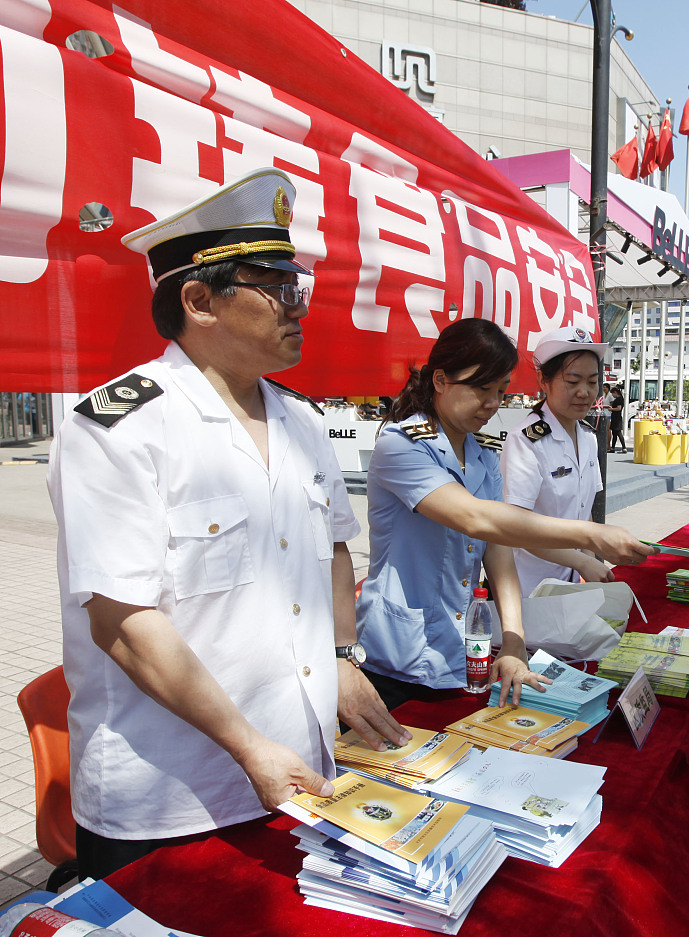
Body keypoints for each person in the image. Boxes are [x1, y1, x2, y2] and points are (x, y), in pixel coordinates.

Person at [47, 168, 406, 880]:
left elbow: (335, 550)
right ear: (198, 300)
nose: (298, 307)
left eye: (298, 286)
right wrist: (247, 745)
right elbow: (123, 623)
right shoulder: (116, 427)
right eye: (276, 287)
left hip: (299, 761)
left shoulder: (302, 420)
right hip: (170, 797)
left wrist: (342, 656)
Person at [355, 319, 653, 713]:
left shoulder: (481, 455)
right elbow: (476, 518)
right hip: (396, 655)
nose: (493, 404)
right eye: (481, 389)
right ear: (440, 380)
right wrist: (588, 536)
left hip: (460, 650)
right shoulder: (402, 445)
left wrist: (513, 639)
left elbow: (498, 550)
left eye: (501, 391)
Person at [501, 327, 612, 594]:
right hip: (530, 590)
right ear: (543, 380)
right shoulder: (526, 441)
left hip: (571, 587)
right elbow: (515, 527)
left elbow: (584, 515)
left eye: (592, 382)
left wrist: (591, 565)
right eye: (572, 381)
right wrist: (581, 561)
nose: (584, 392)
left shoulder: (588, 437)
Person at [608, 386, 627, 453]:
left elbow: (619, 408)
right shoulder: (620, 398)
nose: (612, 395)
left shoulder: (619, 399)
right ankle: (613, 447)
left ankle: (623, 447)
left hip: (616, 418)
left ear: (615, 392)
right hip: (616, 417)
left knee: (618, 433)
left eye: (613, 394)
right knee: (615, 433)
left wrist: (612, 409)